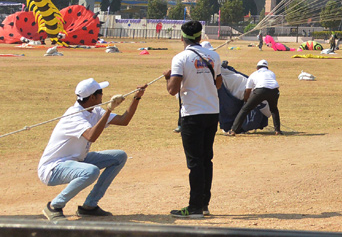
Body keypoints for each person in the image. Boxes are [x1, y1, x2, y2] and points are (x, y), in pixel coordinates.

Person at [38, 78, 147, 220]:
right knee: (91, 171)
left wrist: (137, 97)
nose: (103, 95)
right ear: (93, 97)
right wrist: (109, 109)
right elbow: (91, 136)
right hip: (53, 169)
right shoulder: (74, 116)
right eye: (100, 92)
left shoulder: (94, 110)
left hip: (76, 161)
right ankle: (54, 206)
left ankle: (89, 205)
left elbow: (123, 120)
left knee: (119, 157)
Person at [165, 20, 222, 218]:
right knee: (207, 159)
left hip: (193, 114)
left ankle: (195, 207)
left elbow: (173, 90)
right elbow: (219, 84)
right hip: (212, 112)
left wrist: (168, 77)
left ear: (182, 37)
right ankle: (204, 203)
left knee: (195, 162)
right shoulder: (214, 55)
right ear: (200, 36)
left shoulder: (180, 58)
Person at [228, 60, 281, 136]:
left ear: (257, 68)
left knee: (245, 109)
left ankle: (233, 130)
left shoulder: (254, 74)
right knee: (274, 110)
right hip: (274, 91)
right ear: (267, 67)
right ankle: (277, 130)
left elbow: (248, 90)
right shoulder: (271, 73)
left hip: (260, 90)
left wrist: (246, 101)